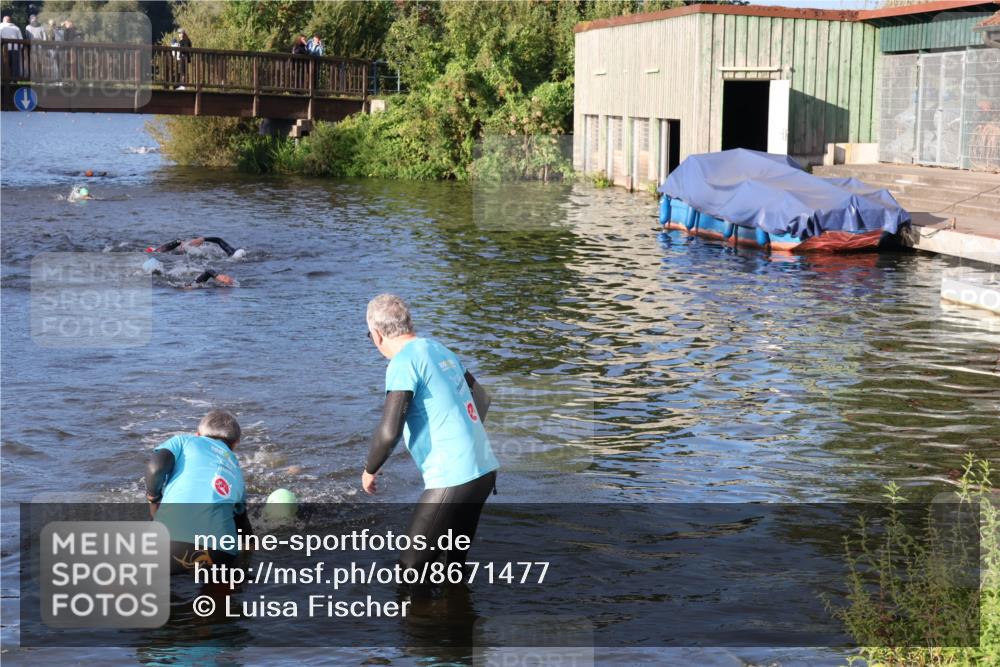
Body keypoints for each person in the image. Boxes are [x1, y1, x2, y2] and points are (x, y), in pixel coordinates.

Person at [362, 294, 499, 579]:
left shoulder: (402, 362)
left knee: (410, 572)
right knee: (454, 567)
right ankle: (457, 620)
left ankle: (418, 622)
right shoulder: (439, 349)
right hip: (484, 470)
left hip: (453, 477)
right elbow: (482, 399)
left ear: (376, 335)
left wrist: (369, 470)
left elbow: (389, 432)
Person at [146, 410, 252, 573]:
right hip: (220, 552)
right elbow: (242, 524)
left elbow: (156, 468)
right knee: (218, 595)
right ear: (235, 443)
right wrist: (247, 557)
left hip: (168, 542)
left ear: (198, 434)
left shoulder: (183, 441)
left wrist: (153, 500)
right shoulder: (236, 471)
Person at [145, 236, 243, 257]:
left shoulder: (231, 252)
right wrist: (203, 239)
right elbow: (219, 240)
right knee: (180, 242)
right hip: (189, 250)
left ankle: (157, 251)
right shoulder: (231, 253)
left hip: (185, 251)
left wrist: (203, 239)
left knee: (179, 241)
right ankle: (157, 250)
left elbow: (218, 240)